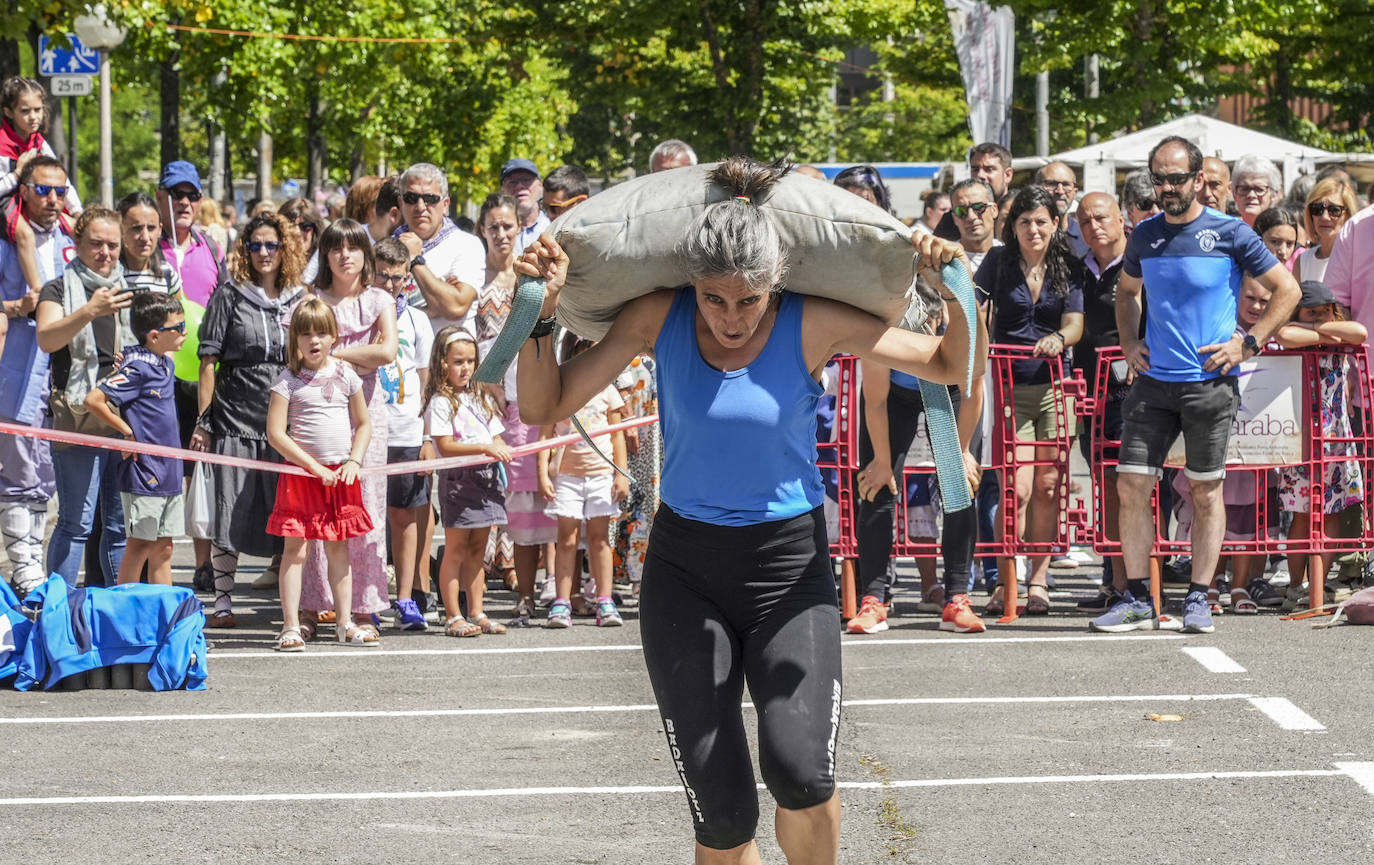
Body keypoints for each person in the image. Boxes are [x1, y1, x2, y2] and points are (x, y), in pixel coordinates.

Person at [514, 157, 984, 864]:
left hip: (789, 572)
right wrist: (541, 313)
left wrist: (951, 287)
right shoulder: (657, 316)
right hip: (685, 574)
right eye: (713, 299)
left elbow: (951, 364)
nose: (730, 317)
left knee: (801, 772)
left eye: (748, 299)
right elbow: (543, 403)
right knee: (724, 806)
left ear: (776, 283)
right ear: (691, 286)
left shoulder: (812, 320)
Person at [1092, 135, 1299, 635]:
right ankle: (1139, 597)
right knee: (1132, 486)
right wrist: (1127, 343)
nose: (1166, 188)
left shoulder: (1230, 233)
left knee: (1207, 492)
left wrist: (1247, 346)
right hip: (1153, 383)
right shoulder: (1143, 235)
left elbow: (1286, 291)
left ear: (1198, 180)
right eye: (1158, 179)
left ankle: (1199, 598)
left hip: (1210, 384)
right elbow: (1126, 294)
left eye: (1176, 178)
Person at [190, 211, 308, 627]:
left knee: (289, 511)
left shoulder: (300, 297)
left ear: (284, 249)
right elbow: (208, 362)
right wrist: (205, 420)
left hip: (287, 424)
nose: (263, 252)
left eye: (271, 245)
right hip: (236, 417)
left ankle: (293, 601)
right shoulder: (230, 294)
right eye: (255, 245)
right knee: (230, 510)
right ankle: (223, 601)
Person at [974, 185, 1086, 616]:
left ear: (1055, 224)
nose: (1033, 230)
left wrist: (1059, 338)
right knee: (1015, 489)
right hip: (1008, 386)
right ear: (1012, 226)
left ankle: (1038, 581)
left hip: (1056, 387)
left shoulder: (1067, 265)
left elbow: (1075, 323)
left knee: (1049, 485)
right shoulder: (998, 262)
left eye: (1041, 221)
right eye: (1024, 222)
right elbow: (975, 305)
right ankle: (1008, 580)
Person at [302, 219, 397, 636]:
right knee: (314, 509)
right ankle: (313, 605)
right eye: (336, 248)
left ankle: (364, 605)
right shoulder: (312, 299)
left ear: (366, 254)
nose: (345, 256)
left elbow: (387, 351)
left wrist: (335, 354)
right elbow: (302, 355)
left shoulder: (379, 298)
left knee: (366, 508)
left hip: (365, 414)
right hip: (316, 413)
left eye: (354, 248)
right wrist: (357, 356)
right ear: (325, 255)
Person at [265, 297, 376, 651]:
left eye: (321, 333)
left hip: (340, 478)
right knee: (294, 550)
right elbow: (276, 434)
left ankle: (344, 623)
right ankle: (291, 625)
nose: (314, 341)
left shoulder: (346, 374)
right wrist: (311, 467)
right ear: (294, 339)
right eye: (306, 334)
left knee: (339, 550)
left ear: (334, 337)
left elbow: (363, 424)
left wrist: (353, 462)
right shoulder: (288, 381)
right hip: (301, 479)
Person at [35, 206, 133, 586]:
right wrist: (89, 311)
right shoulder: (58, 288)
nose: (105, 253)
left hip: (122, 416)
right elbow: (47, 338)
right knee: (76, 521)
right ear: (76, 244)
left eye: (112, 245)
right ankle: (55, 608)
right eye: (96, 244)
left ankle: (115, 608)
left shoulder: (126, 288)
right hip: (76, 416)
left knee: (118, 524)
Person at [1273, 280, 1366, 609]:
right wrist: (1323, 332)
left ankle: (1318, 585)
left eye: (1326, 311)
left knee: (1333, 514)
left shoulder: (1340, 332)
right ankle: (1296, 587)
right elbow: (1284, 334)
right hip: (1301, 439)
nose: (1320, 316)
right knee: (1301, 516)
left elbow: (1360, 333)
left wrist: (1321, 328)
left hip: (1337, 440)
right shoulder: (1295, 335)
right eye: (1311, 311)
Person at [84, 292, 186, 586]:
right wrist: (127, 432)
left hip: (170, 469)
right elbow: (94, 399)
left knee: (164, 548)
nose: (185, 333)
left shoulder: (166, 364)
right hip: (144, 473)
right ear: (154, 336)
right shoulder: (137, 369)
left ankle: (161, 612)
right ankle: (125, 607)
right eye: (178, 328)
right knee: (139, 545)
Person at [0, 155, 67, 597]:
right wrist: (13, 307)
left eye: (60, 191)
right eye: (43, 190)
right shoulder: (8, 241)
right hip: (17, 366)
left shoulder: (69, 240)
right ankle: (21, 563)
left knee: (47, 469)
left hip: (59, 372)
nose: (53, 200)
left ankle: (36, 560)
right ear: (23, 191)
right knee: (19, 466)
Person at [538, 333, 630, 628]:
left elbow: (617, 435)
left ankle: (604, 600)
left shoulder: (608, 390)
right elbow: (545, 435)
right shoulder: (560, 388)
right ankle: (562, 601)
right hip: (566, 476)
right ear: (575, 354)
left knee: (600, 540)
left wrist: (621, 473)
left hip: (601, 474)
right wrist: (542, 472)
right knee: (566, 540)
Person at [425, 326, 511, 637]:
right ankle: (453, 616)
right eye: (458, 361)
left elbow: (496, 435)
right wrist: (485, 447)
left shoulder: (481, 399)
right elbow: (445, 446)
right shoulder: (440, 402)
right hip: (460, 481)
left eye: (471, 361)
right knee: (456, 549)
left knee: (479, 550)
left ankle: (477, 611)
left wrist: (498, 446)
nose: (465, 368)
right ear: (442, 363)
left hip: (487, 480)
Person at [1073, 192, 1131, 613]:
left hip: (1135, 393)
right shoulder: (1077, 271)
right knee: (1106, 488)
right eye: (1086, 220)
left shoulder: (1140, 264)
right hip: (1091, 395)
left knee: (1137, 488)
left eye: (1102, 217)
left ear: (1121, 218)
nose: (1095, 225)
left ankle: (1141, 582)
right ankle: (1114, 579)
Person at [374, 237, 434, 630]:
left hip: (407, 431)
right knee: (365, 517)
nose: (391, 284)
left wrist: (428, 437)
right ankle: (369, 598)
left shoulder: (417, 320)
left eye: (397, 277)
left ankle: (406, 597)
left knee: (405, 517)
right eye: (383, 276)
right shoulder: (361, 316)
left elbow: (427, 381)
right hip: (369, 432)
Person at [0, 76, 82, 298]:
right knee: (25, 234)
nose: (33, 117)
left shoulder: (39, 141)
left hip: (35, 195)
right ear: (8, 112)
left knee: (78, 228)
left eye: (37, 110)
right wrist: (17, 174)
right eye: (25, 111)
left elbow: (61, 179)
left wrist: (77, 210)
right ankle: (39, 292)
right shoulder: (3, 143)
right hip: (7, 199)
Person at [395, 162, 485, 331]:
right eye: (411, 199)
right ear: (401, 203)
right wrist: (432, 306)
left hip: (448, 353)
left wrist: (415, 260)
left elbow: (455, 307)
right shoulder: (387, 246)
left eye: (430, 199)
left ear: (445, 205)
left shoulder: (467, 245)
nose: (420, 207)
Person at [1294, 177, 1358, 284]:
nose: (1324, 217)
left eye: (1334, 210)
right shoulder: (1303, 261)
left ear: (1348, 215)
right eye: (1317, 209)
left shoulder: (1357, 260)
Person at [117, 192, 182, 297]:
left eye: (151, 228)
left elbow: (181, 310)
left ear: (160, 229)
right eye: (136, 228)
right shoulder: (111, 276)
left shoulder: (167, 273)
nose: (145, 237)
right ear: (121, 229)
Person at [1035, 161, 1089, 258]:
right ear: (1036, 188)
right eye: (1051, 184)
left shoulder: (1087, 236)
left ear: (1075, 192)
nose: (1060, 191)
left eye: (1066, 184)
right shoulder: (1026, 233)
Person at [499, 158, 550, 255]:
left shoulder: (553, 227)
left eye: (526, 180)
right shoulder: (493, 233)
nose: (519, 186)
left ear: (540, 186)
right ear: (502, 190)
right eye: (512, 182)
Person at [949, 179, 1000, 269]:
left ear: (994, 210)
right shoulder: (947, 261)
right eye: (961, 211)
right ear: (954, 218)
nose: (971, 217)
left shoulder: (1013, 257)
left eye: (978, 207)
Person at [1229, 155, 1282, 228]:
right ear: (1234, 193)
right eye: (1244, 188)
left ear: (1273, 195)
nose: (1251, 195)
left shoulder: (1281, 234)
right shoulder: (1226, 232)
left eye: (1259, 189)